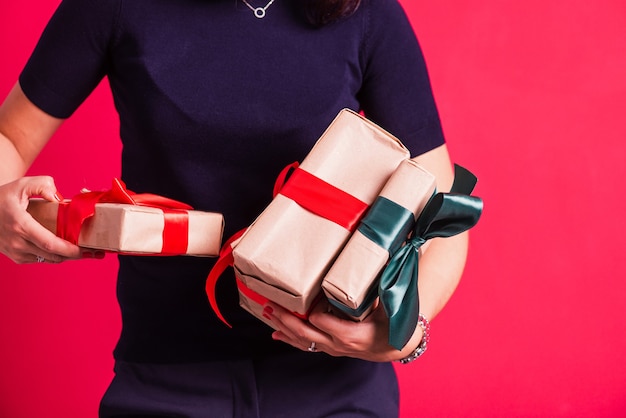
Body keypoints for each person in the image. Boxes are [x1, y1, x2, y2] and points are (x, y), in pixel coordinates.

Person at [0, 0, 469, 416]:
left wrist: (403, 331)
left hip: (334, 384)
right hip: (166, 378)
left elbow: (444, 213)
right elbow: (10, 138)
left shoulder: (366, 12)